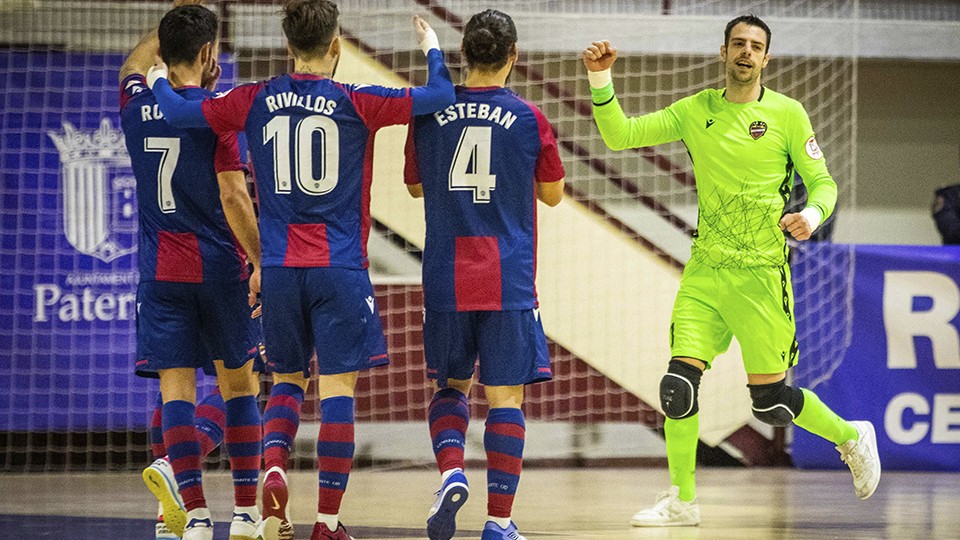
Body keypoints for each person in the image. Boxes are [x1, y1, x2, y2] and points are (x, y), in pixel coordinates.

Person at [146, 1, 455, 538]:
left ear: (287, 47)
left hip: (281, 270)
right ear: (336, 47)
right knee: (337, 393)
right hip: (340, 268)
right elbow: (440, 97)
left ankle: (271, 467)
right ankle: (327, 522)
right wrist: (431, 48)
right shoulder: (360, 100)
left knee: (285, 380)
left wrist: (155, 81)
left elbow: (178, 114)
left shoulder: (254, 98)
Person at [582, 14, 881, 527]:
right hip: (705, 274)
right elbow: (619, 135)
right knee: (677, 386)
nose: (746, 52)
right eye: (738, 44)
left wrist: (810, 215)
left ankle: (851, 436)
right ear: (723, 53)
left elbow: (823, 183)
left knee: (770, 403)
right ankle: (681, 500)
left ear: (766, 58)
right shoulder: (697, 110)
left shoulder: (788, 114)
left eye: (755, 46)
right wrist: (600, 77)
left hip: (762, 276)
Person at [404, 10, 564, 540]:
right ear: (514, 57)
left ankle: (452, 472)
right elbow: (553, 195)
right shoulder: (529, 118)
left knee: (450, 387)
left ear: (465, 55)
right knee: (506, 399)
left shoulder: (428, 115)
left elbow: (414, 188)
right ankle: (498, 523)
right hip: (508, 277)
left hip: (446, 275)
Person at [119, 3, 263, 539]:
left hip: (161, 272)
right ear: (208, 54)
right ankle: (246, 515)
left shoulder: (135, 105)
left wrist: (165, 36)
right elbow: (233, 194)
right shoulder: (215, 110)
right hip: (219, 270)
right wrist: (260, 259)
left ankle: (194, 516)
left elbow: (130, 67)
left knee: (174, 393)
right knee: (240, 389)